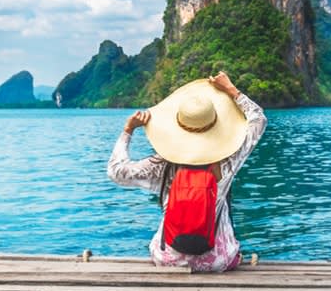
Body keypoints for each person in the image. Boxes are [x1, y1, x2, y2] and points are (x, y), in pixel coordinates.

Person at [107, 71, 267, 272]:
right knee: (231, 248)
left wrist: (128, 130)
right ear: (215, 125)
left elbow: (116, 171)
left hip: (167, 258)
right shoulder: (227, 161)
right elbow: (258, 120)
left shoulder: (162, 165)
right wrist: (231, 89)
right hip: (215, 262)